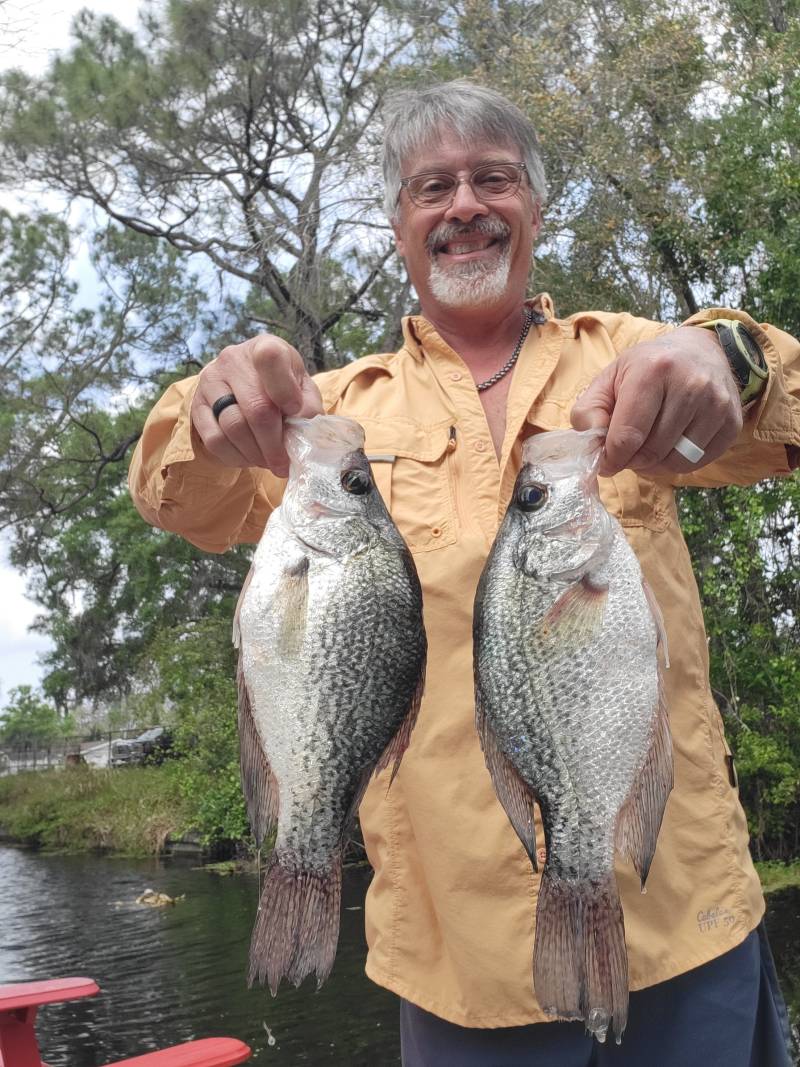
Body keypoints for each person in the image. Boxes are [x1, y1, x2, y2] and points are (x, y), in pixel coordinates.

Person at [129, 81, 799, 1065]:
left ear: (536, 207)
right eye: (431, 187)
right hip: (459, 963)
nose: (465, 206)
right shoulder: (327, 418)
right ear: (398, 224)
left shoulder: (627, 355)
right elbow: (172, 495)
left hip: (684, 921)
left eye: (494, 179)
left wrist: (725, 352)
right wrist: (210, 405)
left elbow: (783, 413)